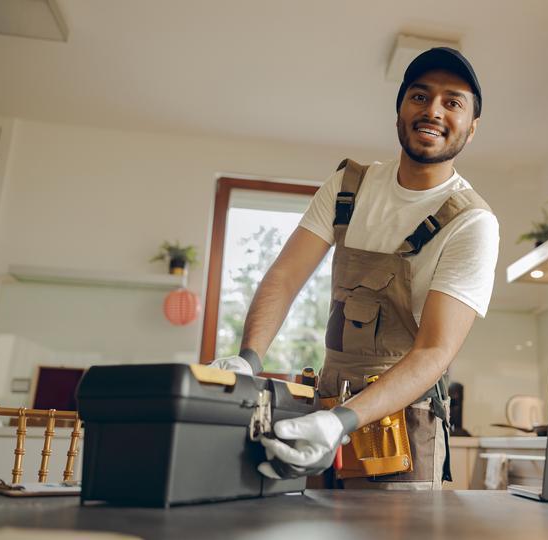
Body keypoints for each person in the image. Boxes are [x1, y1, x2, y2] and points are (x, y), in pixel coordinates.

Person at [211, 47, 499, 489]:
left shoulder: (472, 223)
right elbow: (286, 277)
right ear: (400, 109)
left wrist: (341, 422)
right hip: (326, 409)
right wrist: (249, 359)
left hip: (403, 430)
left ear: (472, 127)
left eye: (453, 102)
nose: (433, 111)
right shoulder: (349, 185)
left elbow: (433, 352)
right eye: (419, 96)